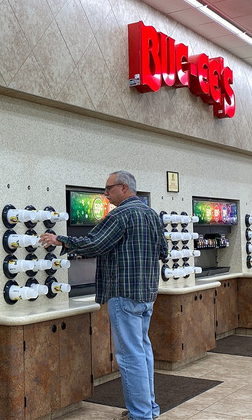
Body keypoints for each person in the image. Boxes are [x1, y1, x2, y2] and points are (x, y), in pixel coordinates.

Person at [39, 170, 167, 420]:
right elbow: (163, 251)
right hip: (147, 294)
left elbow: (95, 243)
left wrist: (59, 240)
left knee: (130, 357)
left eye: (108, 189)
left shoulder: (120, 215)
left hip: (124, 294)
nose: (105, 194)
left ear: (124, 188)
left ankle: (140, 415)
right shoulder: (151, 214)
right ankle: (149, 409)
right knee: (143, 351)